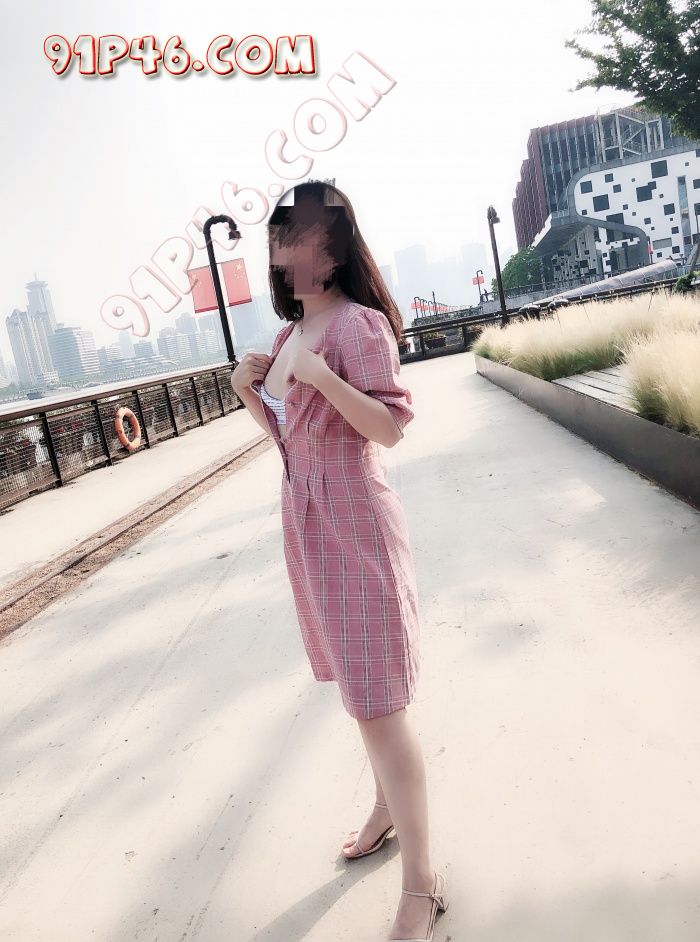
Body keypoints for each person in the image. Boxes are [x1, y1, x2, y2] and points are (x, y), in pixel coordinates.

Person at [231, 181, 448, 942]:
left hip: (356, 525)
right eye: (281, 240)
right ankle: (387, 807)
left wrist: (321, 376)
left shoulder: (358, 326)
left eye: (305, 238)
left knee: (380, 704)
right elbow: (292, 442)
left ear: (334, 248)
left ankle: (422, 884)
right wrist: (251, 393)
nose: (290, 253)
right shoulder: (288, 334)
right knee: (361, 693)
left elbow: (388, 428)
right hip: (309, 528)